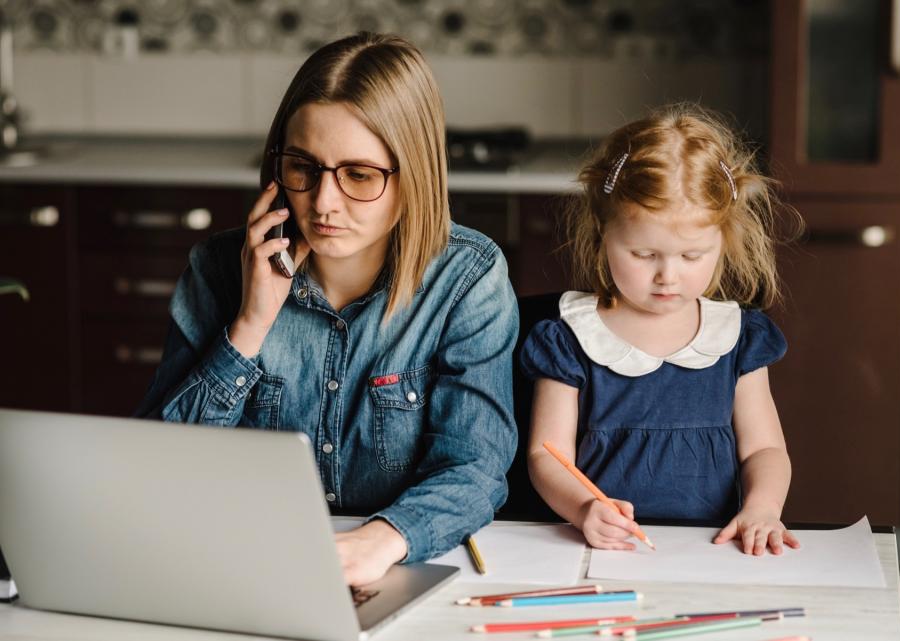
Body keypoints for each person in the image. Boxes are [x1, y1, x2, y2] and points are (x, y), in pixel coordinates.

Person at [136, 32, 518, 585]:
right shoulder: (218, 269)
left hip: (391, 567)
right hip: (236, 565)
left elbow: (475, 468)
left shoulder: (467, 278)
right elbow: (156, 472)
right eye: (303, 167)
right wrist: (249, 326)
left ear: (415, 177)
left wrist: (377, 542)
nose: (323, 202)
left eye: (359, 175)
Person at [522, 104, 802, 556]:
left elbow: (764, 450)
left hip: (714, 549)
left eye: (692, 256)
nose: (667, 276)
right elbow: (546, 456)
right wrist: (583, 510)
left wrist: (763, 508)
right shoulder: (571, 338)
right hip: (601, 549)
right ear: (602, 233)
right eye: (643, 254)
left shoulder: (736, 337)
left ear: (723, 241)